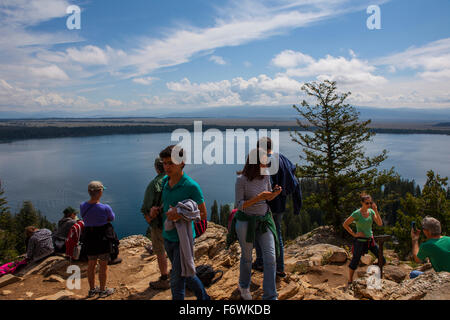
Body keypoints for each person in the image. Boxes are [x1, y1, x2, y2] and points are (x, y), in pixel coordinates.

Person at [153, 145, 210, 300]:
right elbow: (167, 203)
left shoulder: (192, 186)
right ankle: (205, 298)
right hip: (168, 236)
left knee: (176, 281)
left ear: (182, 163)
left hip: (183, 239)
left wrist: (179, 214)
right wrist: (157, 209)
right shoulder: (165, 181)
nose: (167, 166)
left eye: (171, 163)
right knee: (187, 273)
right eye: (165, 163)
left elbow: (203, 214)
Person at [229, 148, 282, 300]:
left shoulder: (265, 176)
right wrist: (258, 198)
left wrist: (274, 194)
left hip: (264, 220)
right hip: (246, 221)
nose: (267, 163)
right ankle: (244, 285)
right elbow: (238, 205)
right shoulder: (241, 180)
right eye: (264, 160)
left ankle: (270, 296)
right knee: (246, 257)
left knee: (270, 257)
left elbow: (268, 198)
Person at [253, 137, 302, 277]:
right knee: (277, 234)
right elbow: (293, 177)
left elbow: (263, 184)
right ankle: (280, 268)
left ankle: (261, 262)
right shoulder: (283, 159)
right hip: (280, 203)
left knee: (259, 232)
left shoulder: (265, 161)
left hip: (267, 204)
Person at [80, 181, 116, 298]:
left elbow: (85, 218)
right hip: (103, 238)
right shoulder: (105, 207)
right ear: (100, 192)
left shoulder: (82, 206)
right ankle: (102, 290)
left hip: (89, 237)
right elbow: (111, 218)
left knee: (91, 264)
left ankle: (91, 290)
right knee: (103, 265)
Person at [342, 193, 385, 284]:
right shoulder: (357, 213)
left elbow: (380, 223)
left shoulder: (371, 212)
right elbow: (345, 224)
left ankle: (375, 273)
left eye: (370, 203)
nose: (369, 205)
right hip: (360, 241)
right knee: (355, 260)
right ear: (362, 203)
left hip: (370, 240)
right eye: (367, 203)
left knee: (382, 259)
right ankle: (350, 280)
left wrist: (376, 210)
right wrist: (354, 234)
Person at [141, 157, 170, 290]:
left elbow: (146, 207)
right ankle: (180, 275)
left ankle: (165, 278)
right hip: (176, 221)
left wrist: (149, 217)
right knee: (175, 250)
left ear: (156, 168)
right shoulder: (175, 180)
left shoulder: (154, 184)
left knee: (160, 252)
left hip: (159, 225)